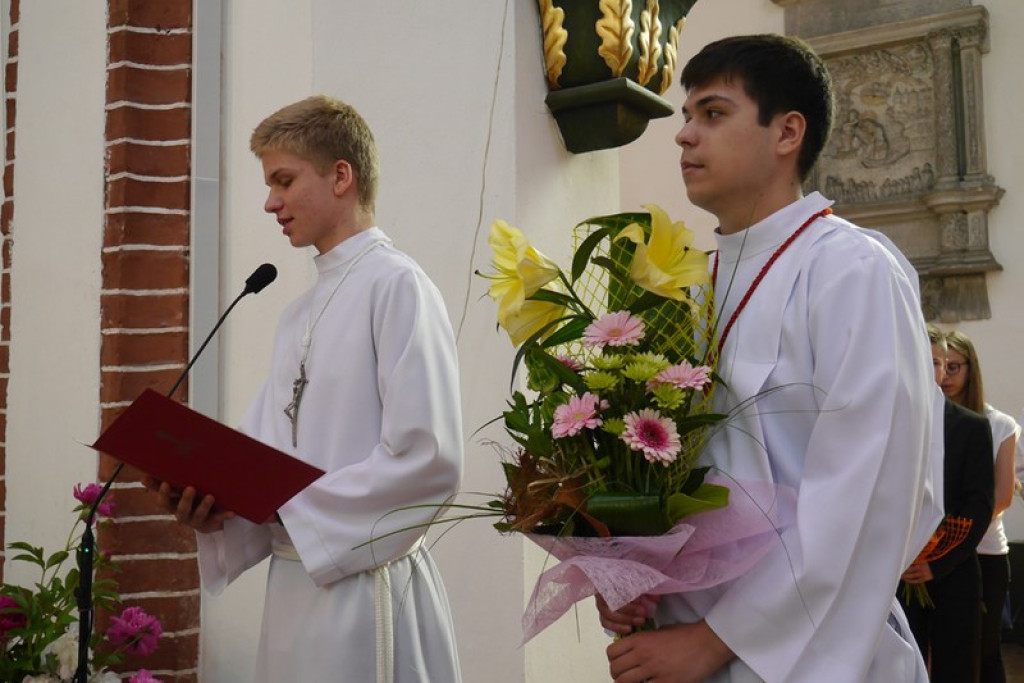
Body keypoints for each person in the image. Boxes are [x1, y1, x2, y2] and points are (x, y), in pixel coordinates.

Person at [597, 34, 942, 682]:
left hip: (810, 656)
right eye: (686, 116)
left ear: (787, 132)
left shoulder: (851, 269)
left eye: (713, 113)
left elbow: (870, 495)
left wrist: (716, 639)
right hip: (673, 646)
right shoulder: (685, 288)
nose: (684, 134)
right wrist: (631, 576)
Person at [145, 95, 464, 682]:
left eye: (284, 181)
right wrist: (214, 508)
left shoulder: (398, 286)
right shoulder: (297, 316)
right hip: (293, 592)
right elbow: (263, 460)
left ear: (341, 176)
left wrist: (285, 506)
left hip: (367, 594)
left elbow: (429, 459)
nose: (271, 202)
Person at [899, 324, 993, 683]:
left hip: (953, 571)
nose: (935, 369)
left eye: (940, 362)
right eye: (926, 360)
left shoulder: (972, 426)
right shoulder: (893, 422)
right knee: (901, 666)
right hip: (900, 568)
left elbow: (979, 505)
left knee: (956, 667)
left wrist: (936, 562)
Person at [942, 330, 1020, 683]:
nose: (944, 375)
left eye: (953, 367)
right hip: (932, 553)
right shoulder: (927, 419)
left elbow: (1002, 497)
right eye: (938, 366)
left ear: (971, 369)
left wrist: (952, 534)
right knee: (944, 651)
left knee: (985, 651)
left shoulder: (999, 424)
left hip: (983, 551)